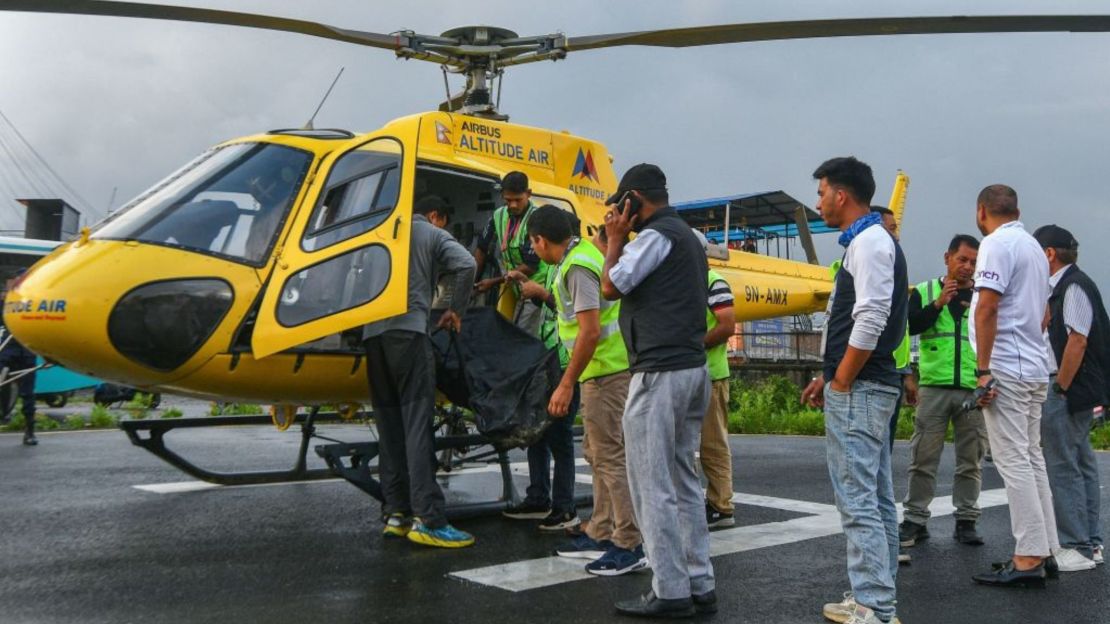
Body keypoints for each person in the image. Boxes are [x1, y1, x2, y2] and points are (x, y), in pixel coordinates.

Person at [600, 163, 714, 619]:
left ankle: (669, 589)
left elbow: (611, 285)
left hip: (660, 373)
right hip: (692, 369)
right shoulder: (687, 236)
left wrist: (613, 241)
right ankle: (700, 582)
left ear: (632, 199)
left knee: (652, 484)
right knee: (685, 480)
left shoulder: (653, 237)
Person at [800, 157, 906, 624]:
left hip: (862, 388)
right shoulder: (869, 242)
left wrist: (841, 379)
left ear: (842, 195)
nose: (819, 200)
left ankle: (874, 606)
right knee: (876, 497)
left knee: (858, 498)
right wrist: (831, 373)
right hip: (868, 384)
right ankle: (877, 596)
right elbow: (859, 321)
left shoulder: (869, 242)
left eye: (822, 191)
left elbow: (872, 317)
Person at [520, 206, 645, 574]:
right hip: (601, 372)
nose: (533, 248)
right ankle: (602, 528)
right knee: (596, 453)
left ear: (541, 240)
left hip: (606, 373)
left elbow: (589, 331)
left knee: (609, 457)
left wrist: (565, 383)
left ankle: (629, 541)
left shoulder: (576, 266)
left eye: (532, 242)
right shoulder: (581, 256)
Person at [362, 195, 477, 548]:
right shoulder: (430, 232)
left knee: (390, 428)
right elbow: (467, 264)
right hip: (409, 335)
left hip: (372, 338)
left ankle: (396, 513)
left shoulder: (376, 231)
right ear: (435, 216)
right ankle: (429, 518)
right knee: (416, 427)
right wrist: (455, 309)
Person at [968, 184, 1058, 587]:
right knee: (1032, 458)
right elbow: (1043, 313)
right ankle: (1046, 547)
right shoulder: (1036, 249)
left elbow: (987, 306)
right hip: (1035, 365)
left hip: (1007, 366)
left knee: (1013, 461)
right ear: (1017, 209)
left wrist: (983, 370)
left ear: (981, 211)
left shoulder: (996, 244)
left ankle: (1028, 556)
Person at [899, 235, 988, 549]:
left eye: (974, 262)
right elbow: (909, 327)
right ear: (947, 257)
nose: (967, 267)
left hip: (972, 388)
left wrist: (989, 382)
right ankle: (915, 519)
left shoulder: (984, 296)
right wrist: (938, 304)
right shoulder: (923, 292)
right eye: (962, 259)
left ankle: (966, 520)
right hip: (934, 386)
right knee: (923, 457)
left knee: (971, 459)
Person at [1035, 224, 1108, 571]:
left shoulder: (1072, 286)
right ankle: (1090, 543)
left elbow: (1077, 340)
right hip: (1080, 389)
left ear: (1049, 254)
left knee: (1064, 467)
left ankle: (1076, 545)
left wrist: (1060, 386)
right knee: (1081, 464)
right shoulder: (1072, 285)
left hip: (1068, 388)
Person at [692, 230, 737, 528]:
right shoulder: (690, 283)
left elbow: (727, 325)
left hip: (710, 375)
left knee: (712, 443)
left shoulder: (713, 282)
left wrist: (693, 344)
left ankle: (721, 505)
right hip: (693, 373)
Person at [473, 171, 548, 335]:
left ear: (528, 194)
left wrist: (493, 282)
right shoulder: (498, 216)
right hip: (514, 286)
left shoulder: (536, 218)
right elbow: (481, 248)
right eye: (508, 200)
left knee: (522, 335)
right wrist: (473, 281)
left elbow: (530, 265)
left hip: (536, 287)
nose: (513, 205)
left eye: (518, 200)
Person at [0, 274, 38, 446]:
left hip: (28, 349)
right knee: (2, 379)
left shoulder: (34, 301)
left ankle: (30, 431)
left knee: (28, 393)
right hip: (8, 349)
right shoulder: (7, 302)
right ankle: (4, 412)